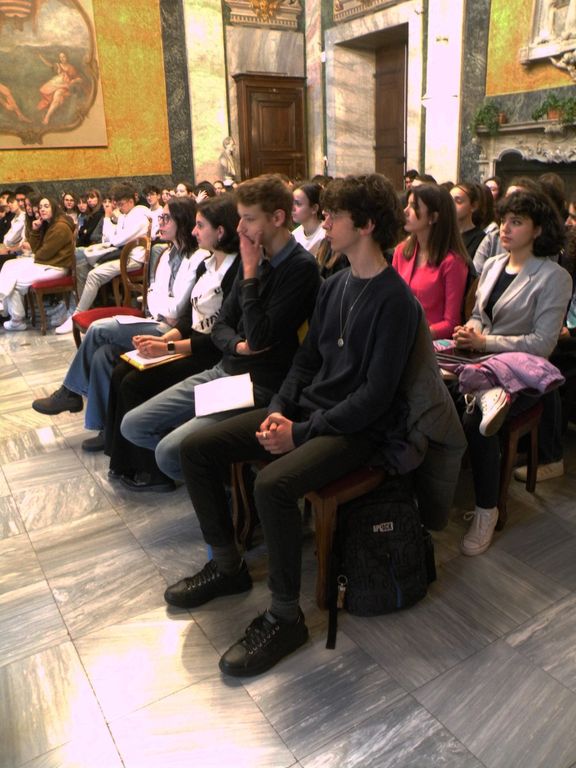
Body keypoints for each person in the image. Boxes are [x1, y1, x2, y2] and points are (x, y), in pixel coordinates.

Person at [170, 173, 421, 677]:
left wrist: (299, 433)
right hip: (309, 411)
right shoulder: (336, 284)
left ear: (366, 225)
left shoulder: (396, 300)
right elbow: (305, 360)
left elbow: (374, 398)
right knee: (195, 449)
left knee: (272, 485)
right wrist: (282, 408)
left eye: (335, 215)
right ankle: (228, 566)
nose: (325, 222)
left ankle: (286, 618)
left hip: (356, 431)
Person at [119, 173, 321, 487]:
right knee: (133, 425)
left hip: (258, 384)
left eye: (248, 219)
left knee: (168, 453)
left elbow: (260, 336)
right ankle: (223, 478)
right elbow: (221, 327)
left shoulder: (298, 267)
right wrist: (238, 346)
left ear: (277, 218)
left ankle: (227, 489)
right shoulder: (254, 255)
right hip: (225, 368)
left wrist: (250, 273)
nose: (239, 229)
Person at [31, 197, 205, 449]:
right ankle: (105, 430)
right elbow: (152, 296)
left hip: (172, 331)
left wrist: (163, 305)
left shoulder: (197, 258)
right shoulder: (167, 254)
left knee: (98, 329)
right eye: (161, 217)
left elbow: (178, 309)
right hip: (156, 319)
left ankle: (70, 393)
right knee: (102, 355)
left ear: (183, 221)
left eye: (166, 218)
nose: (160, 223)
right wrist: (162, 305)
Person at [453, 189, 572, 556]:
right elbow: (480, 314)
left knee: (477, 421)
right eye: (504, 220)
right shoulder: (492, 265)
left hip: (524, 375)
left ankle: (487, 510)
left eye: (516, 222)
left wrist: (485, 341)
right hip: (481, 363)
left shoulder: (554, 276)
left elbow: (542, 344)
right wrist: (471, 330)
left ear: (538, 230)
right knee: (435, 396)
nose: (505, 228)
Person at [105, 195, 242, 490]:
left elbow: (215, 338)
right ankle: (123, 459)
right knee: (121, 370)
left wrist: (166, 348)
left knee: (134, 383)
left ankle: (155, 473)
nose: (194, 231)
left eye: (200, 226)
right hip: (192, 343)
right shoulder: (208, 264)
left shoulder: (236, 270)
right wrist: (163, 340)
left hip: (208, 355)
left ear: (220, 231)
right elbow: (188, 318)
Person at [55, 182, 151, 334]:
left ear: (130, 201)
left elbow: (116, 240)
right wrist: (108, 219)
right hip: (121, 254)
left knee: (94, 274)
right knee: (81, 268)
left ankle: (77, 315)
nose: (119, 208)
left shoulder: (140, 216)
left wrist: (109, 222)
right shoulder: (125, 215)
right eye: (117, 204)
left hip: (133, 259)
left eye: (121, 204)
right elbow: (108, 238)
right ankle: (86, 309)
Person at [393, 183, 469, 339]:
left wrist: (414, 335)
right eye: (407, 205)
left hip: (430, 342)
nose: (405, 211)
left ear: (433, 217)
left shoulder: (452, 262)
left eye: (414, 207)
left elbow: (451, 323)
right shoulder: (401, 251)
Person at [0, 196, 74, 330]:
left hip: (56, 267)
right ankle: (4, 305)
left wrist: (36, 253)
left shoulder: (60, 227)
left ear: (54, 208)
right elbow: (34, 249)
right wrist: (35, 230)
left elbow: (43, 253)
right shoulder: (49, 223)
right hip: (46, 263)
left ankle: (16, 320)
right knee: (8, 265)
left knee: (14, 282)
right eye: (40, 207)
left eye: (46, 206)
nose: (42, 210)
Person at [37, 51, 83, 125]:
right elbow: (49, 65)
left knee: (57, 96)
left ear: (67, 57)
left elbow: (79, 79)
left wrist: (74, 80)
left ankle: (47, 117)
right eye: (60, 57)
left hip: (64, 86)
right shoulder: (58, 65)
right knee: (48, 92)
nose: (62, 58)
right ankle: (48, 114)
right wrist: (41, 57)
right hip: (55, 83)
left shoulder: (71, 68)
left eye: (63, 57)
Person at [450, 182, 488, 261]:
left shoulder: (481, 239)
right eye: (450, 201)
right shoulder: (445, 235)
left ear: (473, 206)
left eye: (458, 201)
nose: (452, 205)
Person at [291, 182, 325, 257]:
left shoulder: (325, 234)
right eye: (292, 203)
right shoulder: (294, 235)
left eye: (298, 204)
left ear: (314, 208)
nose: (292, 208)